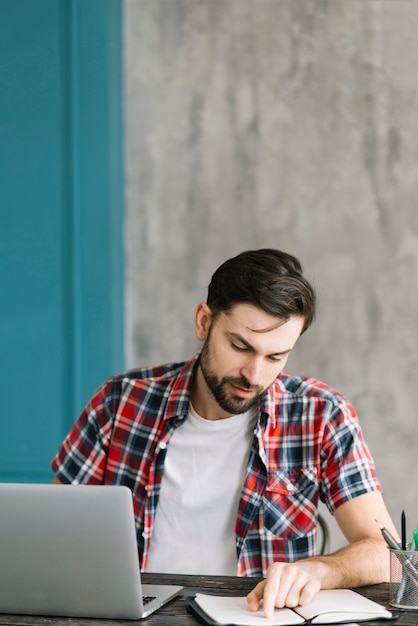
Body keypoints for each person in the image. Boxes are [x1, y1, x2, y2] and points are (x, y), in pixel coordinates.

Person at [51, 248, 398, 618]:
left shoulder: (322, 415)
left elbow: (389, 556)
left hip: (255, 619)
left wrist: (321, 569)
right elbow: (50, 529)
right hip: (132, 617)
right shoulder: (120, 401)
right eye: (239, 346)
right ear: (204, 322)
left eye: (275, 357)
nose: (255, 374)